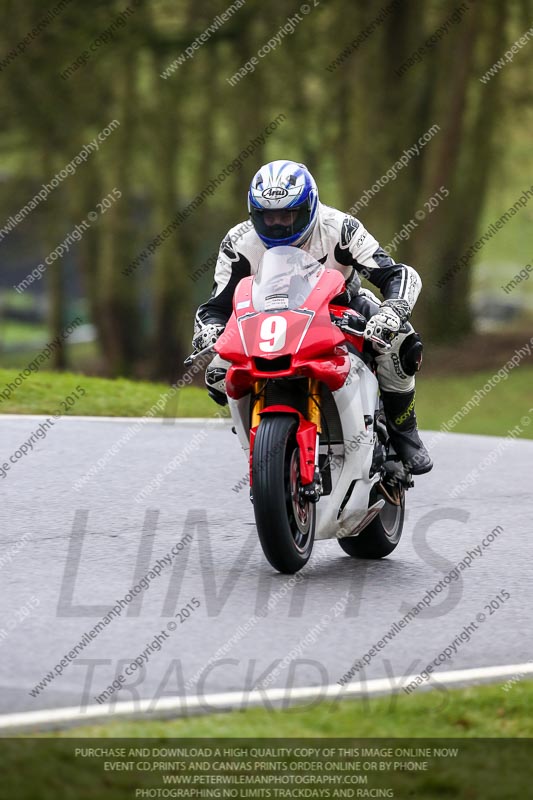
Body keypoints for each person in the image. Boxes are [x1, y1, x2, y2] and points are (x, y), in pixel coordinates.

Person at [192, 160, 432, 474]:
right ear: (254, 214)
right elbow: (216, 305)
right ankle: (259, 445)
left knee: (404, 344)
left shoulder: (340, 227)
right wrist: (209, 329)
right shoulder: (238, 243)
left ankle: (404, 432)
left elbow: (395, 273)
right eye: (267, 216)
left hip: (340, 307)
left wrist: (392, 311)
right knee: (217, 375)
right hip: (264, 319)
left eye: (287, 215)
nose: (277, 225)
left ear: (309, 207)